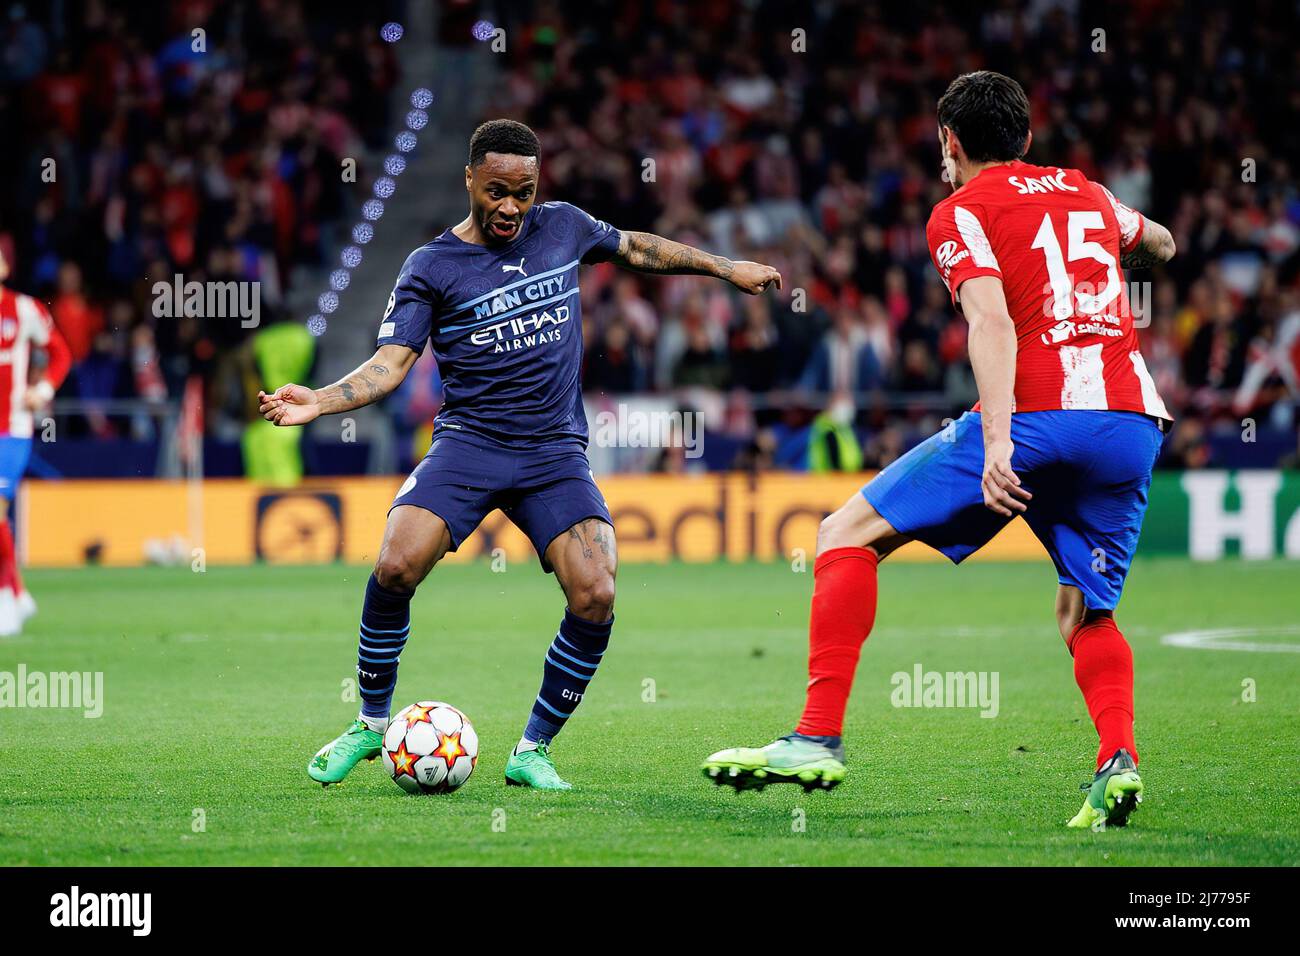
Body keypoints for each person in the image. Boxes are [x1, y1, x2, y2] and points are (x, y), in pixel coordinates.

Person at [704, 72, 1175, 831]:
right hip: (1129, 420)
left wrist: (997, 443)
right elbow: (1160, 242)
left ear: (950, 142)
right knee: (1084, 609)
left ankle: (817, 735)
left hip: (1038, 416)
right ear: (1024, 138)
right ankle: (1116, 760)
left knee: (843, 533)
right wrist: (1116, 277)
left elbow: (990, 322)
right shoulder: (1087, 191)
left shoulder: (957, 212)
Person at [260, 120, 781, 789]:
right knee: (394, 564)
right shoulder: (432, 267)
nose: (511, 207)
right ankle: (368, 724)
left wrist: (722, 266)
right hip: (469, 444)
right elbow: (392, 364)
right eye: (498, 191)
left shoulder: (561, 227)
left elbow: (635, 249)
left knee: (596, 591)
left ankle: (532, 749)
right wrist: (321, 401)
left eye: (525, 193)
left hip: (553, 453)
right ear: (471, 180)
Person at [0, 248, 71, 636]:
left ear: (5, 266)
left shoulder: (24, 309)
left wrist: (42, 389)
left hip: (12, 429)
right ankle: (19, 592)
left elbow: (60, 353)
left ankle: (7, 600)